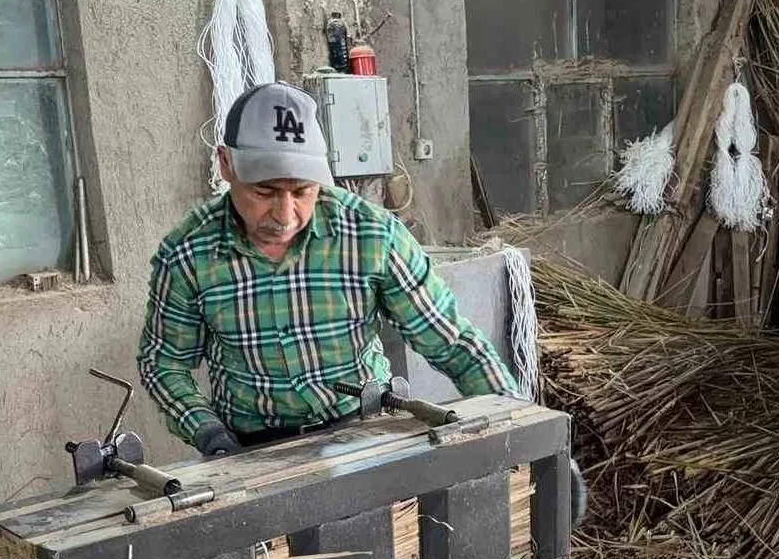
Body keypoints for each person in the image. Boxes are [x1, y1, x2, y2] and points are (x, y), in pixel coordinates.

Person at [137, 81, 586, 521]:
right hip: (251, 452)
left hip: (366, 436)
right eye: (265, 192)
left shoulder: (370, 236)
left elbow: (454, 344)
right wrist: (208, 431)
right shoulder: (189, 253)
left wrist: (529, 432)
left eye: (302, 191)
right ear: (226, 163)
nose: (286, 215)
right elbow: (164, 363)